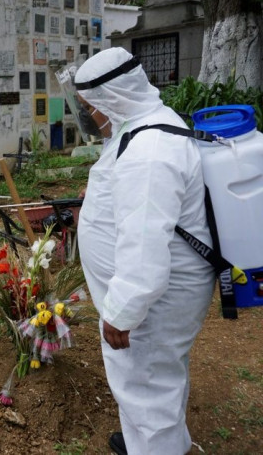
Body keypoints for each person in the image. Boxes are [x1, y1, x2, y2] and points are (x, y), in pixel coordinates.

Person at [72, 48, 215, 455]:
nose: (87, 114)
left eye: (88, 106)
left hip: (154, 300)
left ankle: (156, 447)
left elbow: (145, 243)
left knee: (146, 384)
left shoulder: (148, 151)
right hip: (158, 295)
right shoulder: (143, 127)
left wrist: (123, 311)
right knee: (156, 379)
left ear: (110, 99)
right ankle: (151, 443)